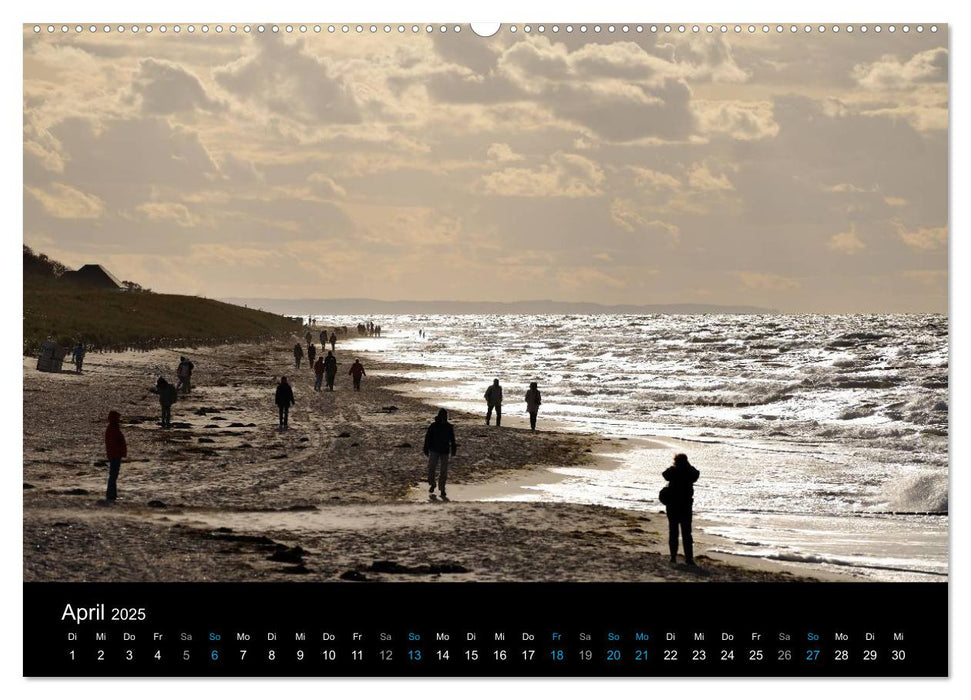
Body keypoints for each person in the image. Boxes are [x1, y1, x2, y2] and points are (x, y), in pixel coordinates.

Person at [662, 453, 701, 567]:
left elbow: (665, 474)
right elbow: (696, 475)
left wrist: (673, 466)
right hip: (685, 506)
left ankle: (673, 557)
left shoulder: (673, 470)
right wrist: (689, 466)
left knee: (673, 531)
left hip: (673, 505)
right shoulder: (690, 471)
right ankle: (689, 558)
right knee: (687, 533)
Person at [423, 408, 456, 499]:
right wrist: (426, 447)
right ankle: (432, 484)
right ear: (440, 416)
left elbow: (452, 439)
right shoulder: (433, 426)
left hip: (445, 451)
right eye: (443, 416)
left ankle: (442, 488)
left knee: (443, 471)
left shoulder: (448, 427)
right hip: (434, 450)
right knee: (431, 468)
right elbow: (428, 437)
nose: (445, 418)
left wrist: (453, 448)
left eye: (446, 416)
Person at [104, 410, 127, 502]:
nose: (119, 419)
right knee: (113, 476)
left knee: (113, 476)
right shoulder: (113, 429)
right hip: (115, 455)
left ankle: (112, 494)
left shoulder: (112, 428)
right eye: (118, 418)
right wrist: (118, 453)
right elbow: (113, 444)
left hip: (115, 455)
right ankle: (111, 495)